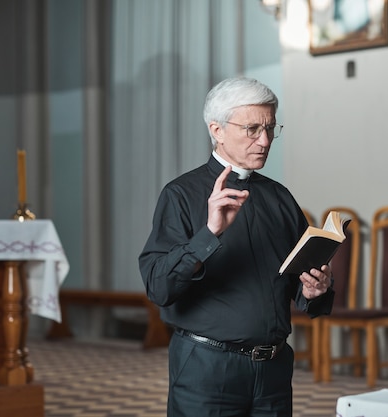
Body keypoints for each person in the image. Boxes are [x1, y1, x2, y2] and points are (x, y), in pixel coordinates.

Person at [138, 76, 335, 417]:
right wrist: (209, 232)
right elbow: (158, 287)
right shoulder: (181, 195)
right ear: (217, 130)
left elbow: (296, 284)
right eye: (252, 129)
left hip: (272, 370)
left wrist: (315, 290)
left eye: (271, 128)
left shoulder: (279, 197)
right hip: (207, 370)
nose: (265, 140)